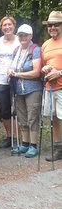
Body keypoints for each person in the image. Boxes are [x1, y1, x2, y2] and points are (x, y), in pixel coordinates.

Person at [7, 24, 42, 158]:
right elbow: (12, 67)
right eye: (20, 35)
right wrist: (10, 72)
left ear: (30, 36)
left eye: (25, 35)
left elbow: (36, 72)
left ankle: (33, 145)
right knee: (22, 118)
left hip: (33, 89)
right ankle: (25, 143)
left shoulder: (35, 50)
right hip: (18, 90)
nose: (22, 37)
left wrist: (17, 74)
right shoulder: (16, 51)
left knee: (32, 117)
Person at [0, 16, 20, 148]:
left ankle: (18, 137)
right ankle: (9, 136)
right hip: (0, 80)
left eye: (10, 24)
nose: (7, 27)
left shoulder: (19, 41)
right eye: (4, 25)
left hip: (17, 79)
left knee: (17, 110)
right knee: (5, 110)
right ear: (1, 27)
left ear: (14, 26)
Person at [41, 11, 62, 161]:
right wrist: (45, 69)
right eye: (50, 25)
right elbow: (44, 65)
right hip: (50, 87)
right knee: (54, 118)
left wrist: (60, 73)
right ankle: (58, 149)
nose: (52, 27)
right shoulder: (45, 45)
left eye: (56, 24)